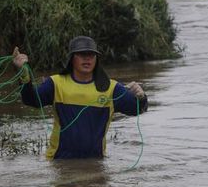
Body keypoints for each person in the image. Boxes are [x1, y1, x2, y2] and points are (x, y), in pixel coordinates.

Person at [12, 36, 148, 159]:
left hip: (96, 163)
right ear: (72, 58)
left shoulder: (111, 88)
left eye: (91, 55)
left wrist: (141, 96)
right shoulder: (56, 83)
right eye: (82, 54)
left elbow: (137, 109)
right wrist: (22, 73)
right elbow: (30, 100)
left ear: (96, 59)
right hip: (60, 162)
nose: (87, 58)